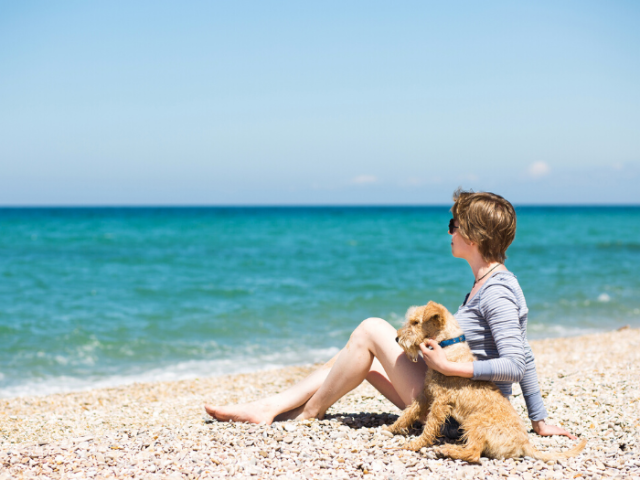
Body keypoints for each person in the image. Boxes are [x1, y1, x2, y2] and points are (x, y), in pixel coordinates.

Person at [205, 189, 576, 440]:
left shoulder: (497, 292)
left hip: (459, 416)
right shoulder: (486, 285)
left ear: (474, 236)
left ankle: (303, 415)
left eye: (454, 226)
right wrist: (539, 421)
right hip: (449, 398)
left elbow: (514, 363)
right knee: (356, 354)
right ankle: (272, 408)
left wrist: (449, 367)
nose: (449, 233)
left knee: (371, 328)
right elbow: (524, 353)